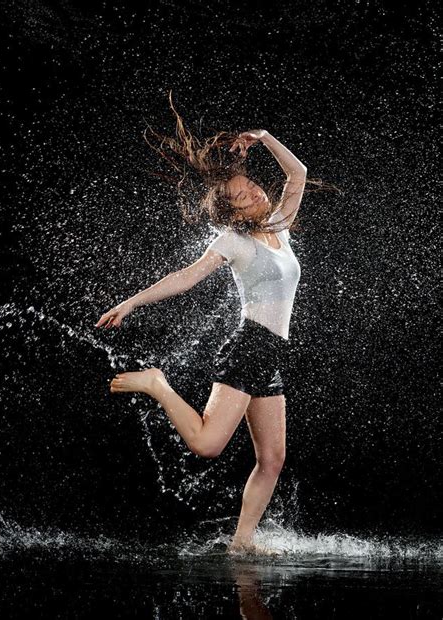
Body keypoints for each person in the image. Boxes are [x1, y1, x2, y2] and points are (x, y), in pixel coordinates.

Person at [95, 95, 334, 555]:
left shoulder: (280, 227)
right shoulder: (235, 241)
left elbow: (297, 174)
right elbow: (186, 277)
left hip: (272, 353)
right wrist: (132, 301)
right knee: (208, 444)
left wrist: (263, 137)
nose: (255, 194)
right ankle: (158, 384)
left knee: (272, 459)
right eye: (243, 196)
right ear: (233, 213)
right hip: (251, 346)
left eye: (253, 188)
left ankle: (241, 543)